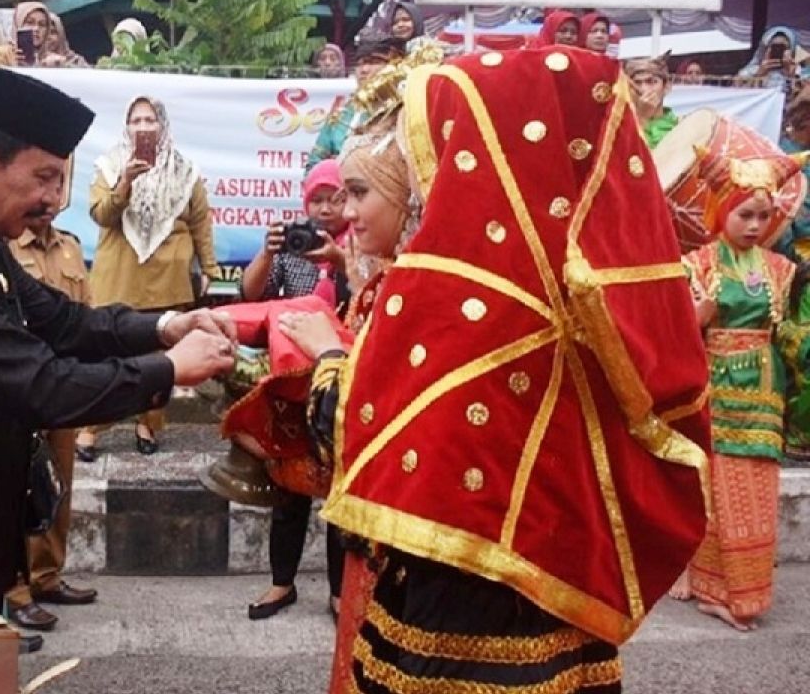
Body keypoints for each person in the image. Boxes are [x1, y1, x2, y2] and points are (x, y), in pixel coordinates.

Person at [296, 47, 711, 693]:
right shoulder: (570, 282)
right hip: (556, 585)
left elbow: (362, 436)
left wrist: (324, 353)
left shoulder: (450, 288)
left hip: (456, 616)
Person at [0, 64, 235, 627]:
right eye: (44, 178)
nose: (55, 199)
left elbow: (61, 320)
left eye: (61, 181)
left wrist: (163, 327)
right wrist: (170, 368)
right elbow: (41, 385)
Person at [681, 136, 802, 630]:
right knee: (714, 486)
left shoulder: (782, 269)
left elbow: (788, 335)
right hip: (715, 389)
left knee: (754, 487)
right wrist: (699, 317)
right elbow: (673, 334)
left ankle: (748, 591)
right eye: (743, 215)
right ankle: (712, 587)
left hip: (764, 396)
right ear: (720, 211)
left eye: (762, 216)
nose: (755, 226)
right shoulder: (700, 264)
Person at [239, 159, 350, 621]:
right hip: (290, 380)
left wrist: (341, 261)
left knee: (341, 491)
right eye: (317, 199)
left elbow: (372, 295)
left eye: (335, 198)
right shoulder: (289, 244)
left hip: (341, 377)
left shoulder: (361, 243)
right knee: (289, 485)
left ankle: (340, 592)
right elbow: (250, 295)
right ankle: (281, 584)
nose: (325, 209)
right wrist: (267, 253)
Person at [84, 95, 222, 457]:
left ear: (163, 126)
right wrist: (125, 183)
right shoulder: (109, 165)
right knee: (105, 356)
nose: (143, 127)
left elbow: (200, 224)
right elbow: (101, 215)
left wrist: (209, 269)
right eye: (135, 120)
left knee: (161, 360)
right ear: (126, 126)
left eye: (150, 120)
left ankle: (148, 424)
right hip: (119, 278)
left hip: (168, 277)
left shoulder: (185, 171)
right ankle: (90, 428)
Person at [5, 213, 99, 631]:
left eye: (58, 183)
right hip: (18, 385)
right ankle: (14, 591)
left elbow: (85, 315)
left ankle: (46, 576)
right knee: (13, 491)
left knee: (58, 485)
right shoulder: (3, 248)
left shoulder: (71, 247)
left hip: (62, 384)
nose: (48, 199)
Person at [305, 37, 405, 172]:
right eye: (359, 63)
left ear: (393, 67)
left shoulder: (403, 110)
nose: (363, 70)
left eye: (373, 62)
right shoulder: (342, 113)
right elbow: (314, 163)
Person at [625, 55, 679, 148]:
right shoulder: (618, 126)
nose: (644, 89)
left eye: (651, 82)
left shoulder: (680, 127)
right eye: (637, 83)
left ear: (667, 87)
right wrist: (642, 117)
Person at [739, 26, 807, 91]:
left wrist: (791, 76)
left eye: (782, 48)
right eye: (774, 47)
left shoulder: (800, 73)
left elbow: (803, 98)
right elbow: (740, 96)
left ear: (791, 50)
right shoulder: (749, 72)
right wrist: (759, 75)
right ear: (765, 49)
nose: (778, 51)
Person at [13, 1, 52, 67]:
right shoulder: (0, 56)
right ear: (18, 23)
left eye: (42, 24)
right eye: (30, 22)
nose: (36, 28)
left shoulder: (53, 59)